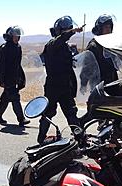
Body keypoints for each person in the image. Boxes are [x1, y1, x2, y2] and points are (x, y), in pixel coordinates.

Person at [37, 16, 83, 144]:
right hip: (53, 86)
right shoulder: (52, 44)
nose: (69, 31)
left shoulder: (65, 46)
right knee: (48, 112)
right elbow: (61, 39)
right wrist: (73, 31)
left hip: (65, 86)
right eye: (67, 30)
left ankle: (80, 138)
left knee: (71, 112)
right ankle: (41, 138)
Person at [0, 26, 29, 126]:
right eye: (15, 36)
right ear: (10, 37)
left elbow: (18, 64)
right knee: (15, 98)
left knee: (6, 97)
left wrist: (21, 77)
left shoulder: (18, 47)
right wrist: (1, 79)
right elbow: (0, 65)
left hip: (15, 77)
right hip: (7, 77)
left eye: (18, 36)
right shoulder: (4, 48)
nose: (17, 38)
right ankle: (21, 119)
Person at [86, 14, 118, 85]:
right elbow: (87, 68)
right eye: (106, 27)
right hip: (99, 85)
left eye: (110, 27)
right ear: (100, 29)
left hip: (112, 82)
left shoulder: (110, 44)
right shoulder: (93, 46)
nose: (108, 29)